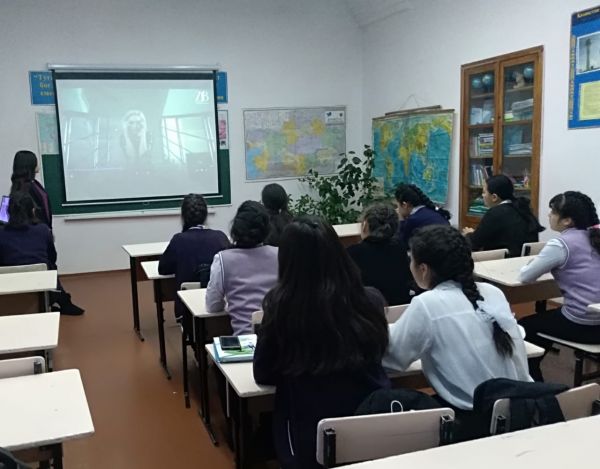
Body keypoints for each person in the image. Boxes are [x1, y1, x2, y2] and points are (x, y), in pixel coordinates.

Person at [253, 217, 390, 469]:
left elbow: (263, 372)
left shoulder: (282, 308)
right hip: (373, 426)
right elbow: (380, 350)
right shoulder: (371, 300)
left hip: (310, 436)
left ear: (287, 262)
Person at [384, 225, 531, 414]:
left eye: (411, 259)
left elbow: (395, 359)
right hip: (521, 405)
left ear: (423, 269)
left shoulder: (427, 303)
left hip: (474, 415)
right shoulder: (493, 292)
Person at [519, 191, 600, 381]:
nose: (549, 215)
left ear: (567, 220)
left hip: (582, 323)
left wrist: (531, 264)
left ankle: (534, 383)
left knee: (524, 326)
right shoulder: (595, 236)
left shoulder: (561, 244)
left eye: (553, 212)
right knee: (544, 323)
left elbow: (525, 277)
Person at [0, 191, 84, 315]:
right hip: (40, 282)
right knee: (50, 264)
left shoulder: (2, 233)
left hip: (9, 285)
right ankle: (60, 299)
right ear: (32, 211)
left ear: (7, 212)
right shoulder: (43, 230)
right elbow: (52, 256)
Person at [205, 201, 278, 335]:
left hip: (245, 341)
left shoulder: (223, 259)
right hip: (281, 340)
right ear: (267, 229)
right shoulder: (280, 254)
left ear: (236, 228)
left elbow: (213, 306)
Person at [158, 194, 230, 322]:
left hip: (186, 311)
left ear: (183, 217)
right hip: (222, 310)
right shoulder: (220, 237)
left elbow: (163, 269)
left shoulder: (179, 240)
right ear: (205, 215)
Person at [463, 175, 544, 257]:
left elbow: (474, 244)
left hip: (501, 261)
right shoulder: (523, 208)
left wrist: (468, 234)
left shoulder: (495, 213)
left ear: (494, 197)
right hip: (524, 261)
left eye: (484, 192)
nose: (482, 195)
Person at [347, 202, 412, 305]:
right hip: (399, 306)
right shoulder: (400, 248)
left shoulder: (352, 253)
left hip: (366, 309)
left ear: (365, 225)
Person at [11, 150, 52, 228]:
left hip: (44, 229)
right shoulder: (21, 188)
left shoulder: (34, 183)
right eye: (35, 162)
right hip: (33, 231)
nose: (38, 165)